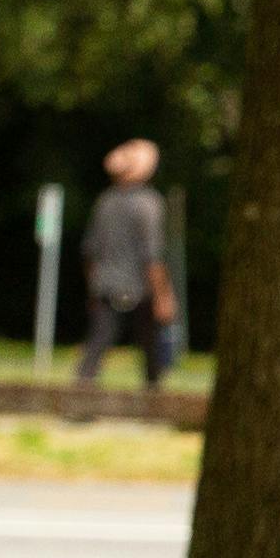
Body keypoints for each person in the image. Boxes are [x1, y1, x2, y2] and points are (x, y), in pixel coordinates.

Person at [73, 137, 177, 392]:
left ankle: (79, 398)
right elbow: (152, 256)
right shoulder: (149, 204)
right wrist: (163, 295)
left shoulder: (105, 201)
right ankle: (154, 401)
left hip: (104, 284)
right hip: (140, 287)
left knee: (97, 345)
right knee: (150, 347)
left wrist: (93, 286)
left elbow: (89, 251)